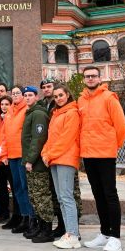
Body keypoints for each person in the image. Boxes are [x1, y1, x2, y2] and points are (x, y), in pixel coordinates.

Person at [79, 66, 125, 251]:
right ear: (84, 79)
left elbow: (121, 125)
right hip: (88, 154)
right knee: (98, 194)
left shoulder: (109, 98)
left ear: (100, 78)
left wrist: (113, 146)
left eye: (93, 76)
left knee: (110, 194)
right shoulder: (81, 99)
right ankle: (104, 233)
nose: (90, 79)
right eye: (87, 76)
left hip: (105, 154)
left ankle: (115, 237)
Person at [41, 77, 82, 238]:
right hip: (54, 160)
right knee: (60, 198)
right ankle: (69, 232)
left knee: (66, 197)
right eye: (56, 96)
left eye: (61, 95)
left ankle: (73, 234)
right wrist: (45, 153)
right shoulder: (56, 114)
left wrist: (50, 154)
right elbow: (51, 138)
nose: (58, 98)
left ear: (67, 95)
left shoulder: (72, 113)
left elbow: (66, 139)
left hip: (66, 159)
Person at [21, 85, 55, 244]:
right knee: (35, 197)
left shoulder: (39, 114)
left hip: (38, 164)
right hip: (32, 163)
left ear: (36, 97)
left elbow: (38, 139)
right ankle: (40, 227)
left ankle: (47, 230)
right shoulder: (31, 113)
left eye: (30, 95)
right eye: (25, 95)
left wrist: (30, 160)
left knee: (42, 197)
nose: (27, 97)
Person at [0, 85, 34, 234]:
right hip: (12, 156)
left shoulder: (27, 110)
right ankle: (24, 217)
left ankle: (32, 219)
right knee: (18, 188)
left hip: (22, 155)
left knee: (26, 188)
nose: (15, 96)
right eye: (13, 93)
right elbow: (5, 135)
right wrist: (4, 154)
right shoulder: (9, 112)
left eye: (18, 93)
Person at [0, 95, 14, 223]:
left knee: (14, 186)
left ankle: (18, 214)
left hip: (9, 157)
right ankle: (3, 212)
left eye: (7, 104)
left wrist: (3, 152)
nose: (4, 106)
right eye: (2, 104)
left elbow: (9, 137)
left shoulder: (11, 118)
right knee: (1, 187)